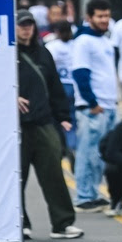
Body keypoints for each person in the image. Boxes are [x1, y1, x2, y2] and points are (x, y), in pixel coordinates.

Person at [16, 10, 84, 240]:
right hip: (16, 125)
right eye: (22, 25)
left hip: (44, 122)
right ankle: (19, 224)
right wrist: (11, 96)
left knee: (54, 174)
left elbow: (55, 86)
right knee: (16, 177)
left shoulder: (44, 53)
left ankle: (62, 223)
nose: (26, 29)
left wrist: (63, 116)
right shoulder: (5, 54)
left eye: (29, 25)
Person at [72, 0, 117, 212]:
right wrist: (92, 102)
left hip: (108, 104)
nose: (104, 20)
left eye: (107, 16)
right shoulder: (83, 41)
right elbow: (80, 73)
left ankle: (94, 192)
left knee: (101, 154)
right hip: (93, 107)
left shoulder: (105, 40)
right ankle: (84, 196)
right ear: (89, 18)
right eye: (100, 16)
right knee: (88, 152)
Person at [46, 19, 77, 166]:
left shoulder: (52, 46)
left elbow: (48, 68)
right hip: (74, 86)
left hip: (59, 86)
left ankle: (61, 147)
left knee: (57, 120)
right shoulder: (76, 45)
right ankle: (72, 145)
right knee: (72, 120)